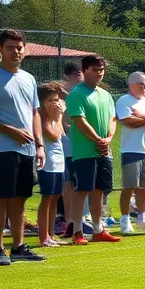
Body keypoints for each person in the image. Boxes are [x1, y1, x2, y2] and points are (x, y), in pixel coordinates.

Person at [0, 29, 45, 265]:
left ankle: (18, 247)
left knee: (21, 198)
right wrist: (11, 131)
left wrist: (40, 144)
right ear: (0, 49)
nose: (16, 51)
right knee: (2, 198)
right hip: (3, 148)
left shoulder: (29, 78)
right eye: (11, 47)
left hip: (28, 149)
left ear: (25, 49)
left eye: (19, 47)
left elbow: (34, 112)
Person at [66, 55, 121, 245]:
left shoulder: (105, 95)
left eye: (102, 69)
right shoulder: (76, 94)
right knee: (82, 190)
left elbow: (113, 120)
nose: (99, 73)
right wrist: (98, 140)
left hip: (104, 152)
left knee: (99, 191)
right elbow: (79, 121)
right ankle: (77, 232)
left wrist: (108, 139)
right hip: (84, 152)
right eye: (95, 69)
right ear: (84, 71)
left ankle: (98, 230)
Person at [115, 72, 145, 234]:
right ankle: (125, 219)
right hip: (130, 150)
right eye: (141, 84)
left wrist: (142, 116)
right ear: (131, 84)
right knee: (129, 186)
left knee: (144, 187)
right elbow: (128, 122)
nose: (144, 87)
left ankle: (142, 219)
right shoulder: (123, 101)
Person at [36, 83, 67, 248]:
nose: (56, 104)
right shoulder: (41, 116)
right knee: (47, 198)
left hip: (58, 160)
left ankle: (51, 234)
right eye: (51, 100)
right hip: (47, 162)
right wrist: (58, 117)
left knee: (55, 197)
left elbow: (61, 132)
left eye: (57, 100)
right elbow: (53, 135)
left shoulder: (53, 116)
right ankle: (43, 237)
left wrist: (58, 117)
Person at [59, 62, 82, 237]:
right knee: (68, 184)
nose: (79, 75)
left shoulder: (82, 93)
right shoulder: (59, 95)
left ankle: (78, 219)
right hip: (63, 145)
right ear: (67, 76)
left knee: (77, 184)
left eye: (80, 72)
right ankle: (69, 221)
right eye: (75, 73)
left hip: (79, 144)